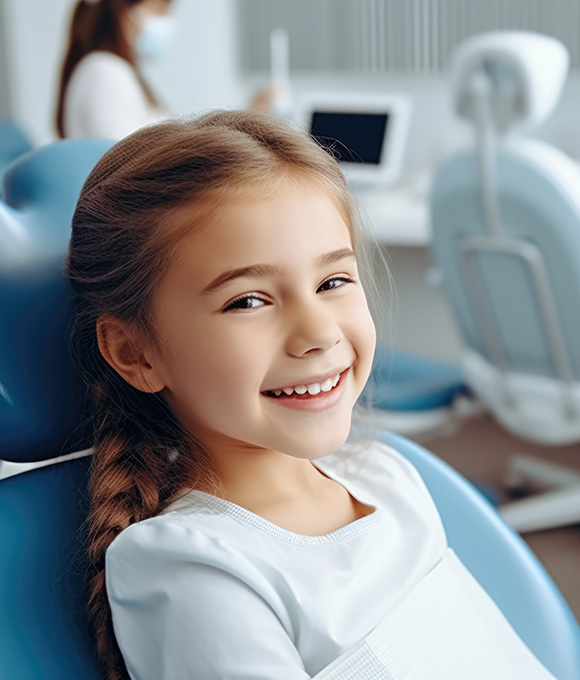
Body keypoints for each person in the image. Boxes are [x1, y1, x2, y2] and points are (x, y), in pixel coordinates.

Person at [66, 109, 556, 680]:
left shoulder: (387, 476)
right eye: (248, 301)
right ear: (135, 353)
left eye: (333, 282)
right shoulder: (190, 567)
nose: (320, 333)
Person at [55, 0, 173, 140]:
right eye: (159, 11)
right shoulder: (106, 72)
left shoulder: (107, 69)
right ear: (126, 12)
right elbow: (122, 155)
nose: (166, 20)